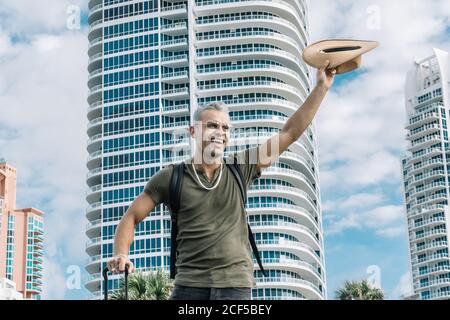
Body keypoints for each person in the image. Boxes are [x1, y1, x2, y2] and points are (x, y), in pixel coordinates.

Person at [107, 61, 336, 300]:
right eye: (212, 125)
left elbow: (288, 133)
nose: (220, 132)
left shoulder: (241, 167)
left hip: (235, 287)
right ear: (193, 131)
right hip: (189, 288)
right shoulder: (170, 177)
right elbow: (131, 217)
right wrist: (121, 253)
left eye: (226, 128)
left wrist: (321, 88)